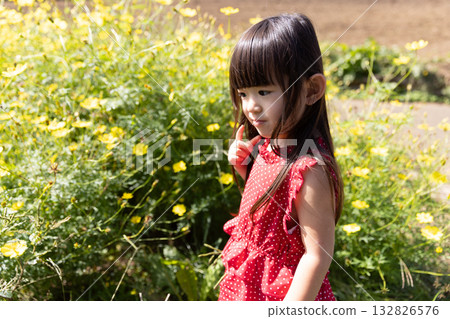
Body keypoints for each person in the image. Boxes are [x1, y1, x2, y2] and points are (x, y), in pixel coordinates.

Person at [218, 13, 344, 301]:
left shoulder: (310, 168)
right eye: (243, 94)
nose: (251, 106)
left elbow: (316, 256)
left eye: (263, 91)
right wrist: (246, 169)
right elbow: (279, 209)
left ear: (311, 90)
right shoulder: (269, 145)